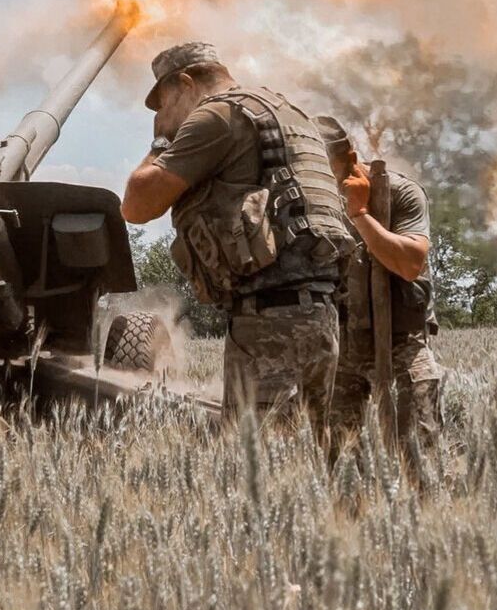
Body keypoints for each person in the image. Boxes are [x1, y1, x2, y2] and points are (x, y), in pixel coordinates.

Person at [120, 42, 355, 428]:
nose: (161, 114)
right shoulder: (289, 113)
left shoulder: (218, 115)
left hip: (269, 322)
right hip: (321, 316)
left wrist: (161, 141)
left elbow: (137, 205)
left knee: (256, 465)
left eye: (163, 102)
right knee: (307, 460)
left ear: (184, 83)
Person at [317, 117, 446, 474]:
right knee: (336, 463)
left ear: (350, 158)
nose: (321, 180)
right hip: (345, 346)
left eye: (326, 168)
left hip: (403, 342)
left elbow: (409, 264)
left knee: (420, 457)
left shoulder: (401, 193)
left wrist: (359, 214)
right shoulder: (316, 202)